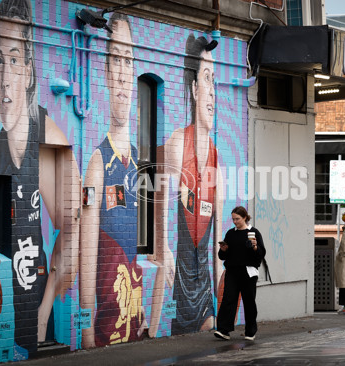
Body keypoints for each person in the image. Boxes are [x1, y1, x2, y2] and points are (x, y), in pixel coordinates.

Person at [0, 0, 77, 358]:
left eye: (14, 59)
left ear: (29, 71)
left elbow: (72, 230)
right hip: (12, 327)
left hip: (37, 308)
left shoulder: (48, 135)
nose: (4, 74)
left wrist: (45, 312)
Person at [80, 12, 165, 347]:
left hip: (133, 322)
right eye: (114, 58)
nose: (121, 72)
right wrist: (85, 332)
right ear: (104, 71)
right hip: (104, 331)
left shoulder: (139, 161)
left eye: (128, 61)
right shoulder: (99, 162)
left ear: (134, 73)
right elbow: (87, 260)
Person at [155, 33, 223, 335]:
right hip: (178, 286)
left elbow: (219, 234)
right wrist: (163, 250)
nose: (213, 93)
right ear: (194, 89)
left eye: (215, 82)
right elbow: (160, 205)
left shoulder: (216, 156)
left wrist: (223, 282)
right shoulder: (176, 144)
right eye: (207, 80)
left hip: (204, 284)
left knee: (210, 342)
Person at [214, 206, 266, 341]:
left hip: (248, 272)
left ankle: (250, 331)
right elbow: (222, 256)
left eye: (237, 219)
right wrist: (224, 250)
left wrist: (254, 246)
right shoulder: (231, 234)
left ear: (245, 217)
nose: (235, 221)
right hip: (232, 271)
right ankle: (223, 330)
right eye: (233, 219)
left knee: (249, 302)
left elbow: (261, 254)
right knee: (228, 299)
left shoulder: (254, 232)